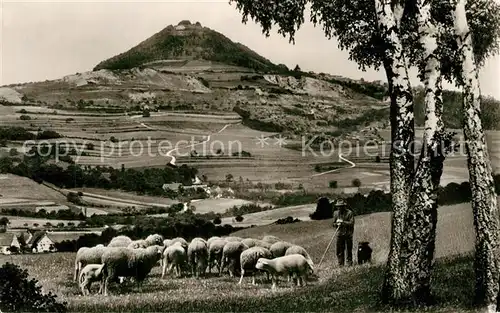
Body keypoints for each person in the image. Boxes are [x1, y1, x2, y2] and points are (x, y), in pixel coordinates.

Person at [332, 199, 355, 266]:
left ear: (344, 206)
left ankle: (349, 263)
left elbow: (351, 223)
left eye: (341, 206)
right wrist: (336, 224)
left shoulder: (349, 213)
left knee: (348, 250)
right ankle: (340, 264)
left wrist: (343, 222)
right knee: (339, 250)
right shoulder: (335, 213)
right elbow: (333, 224)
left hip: (348, 234)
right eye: (338, 206)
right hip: (340, 234)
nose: (340, 208)